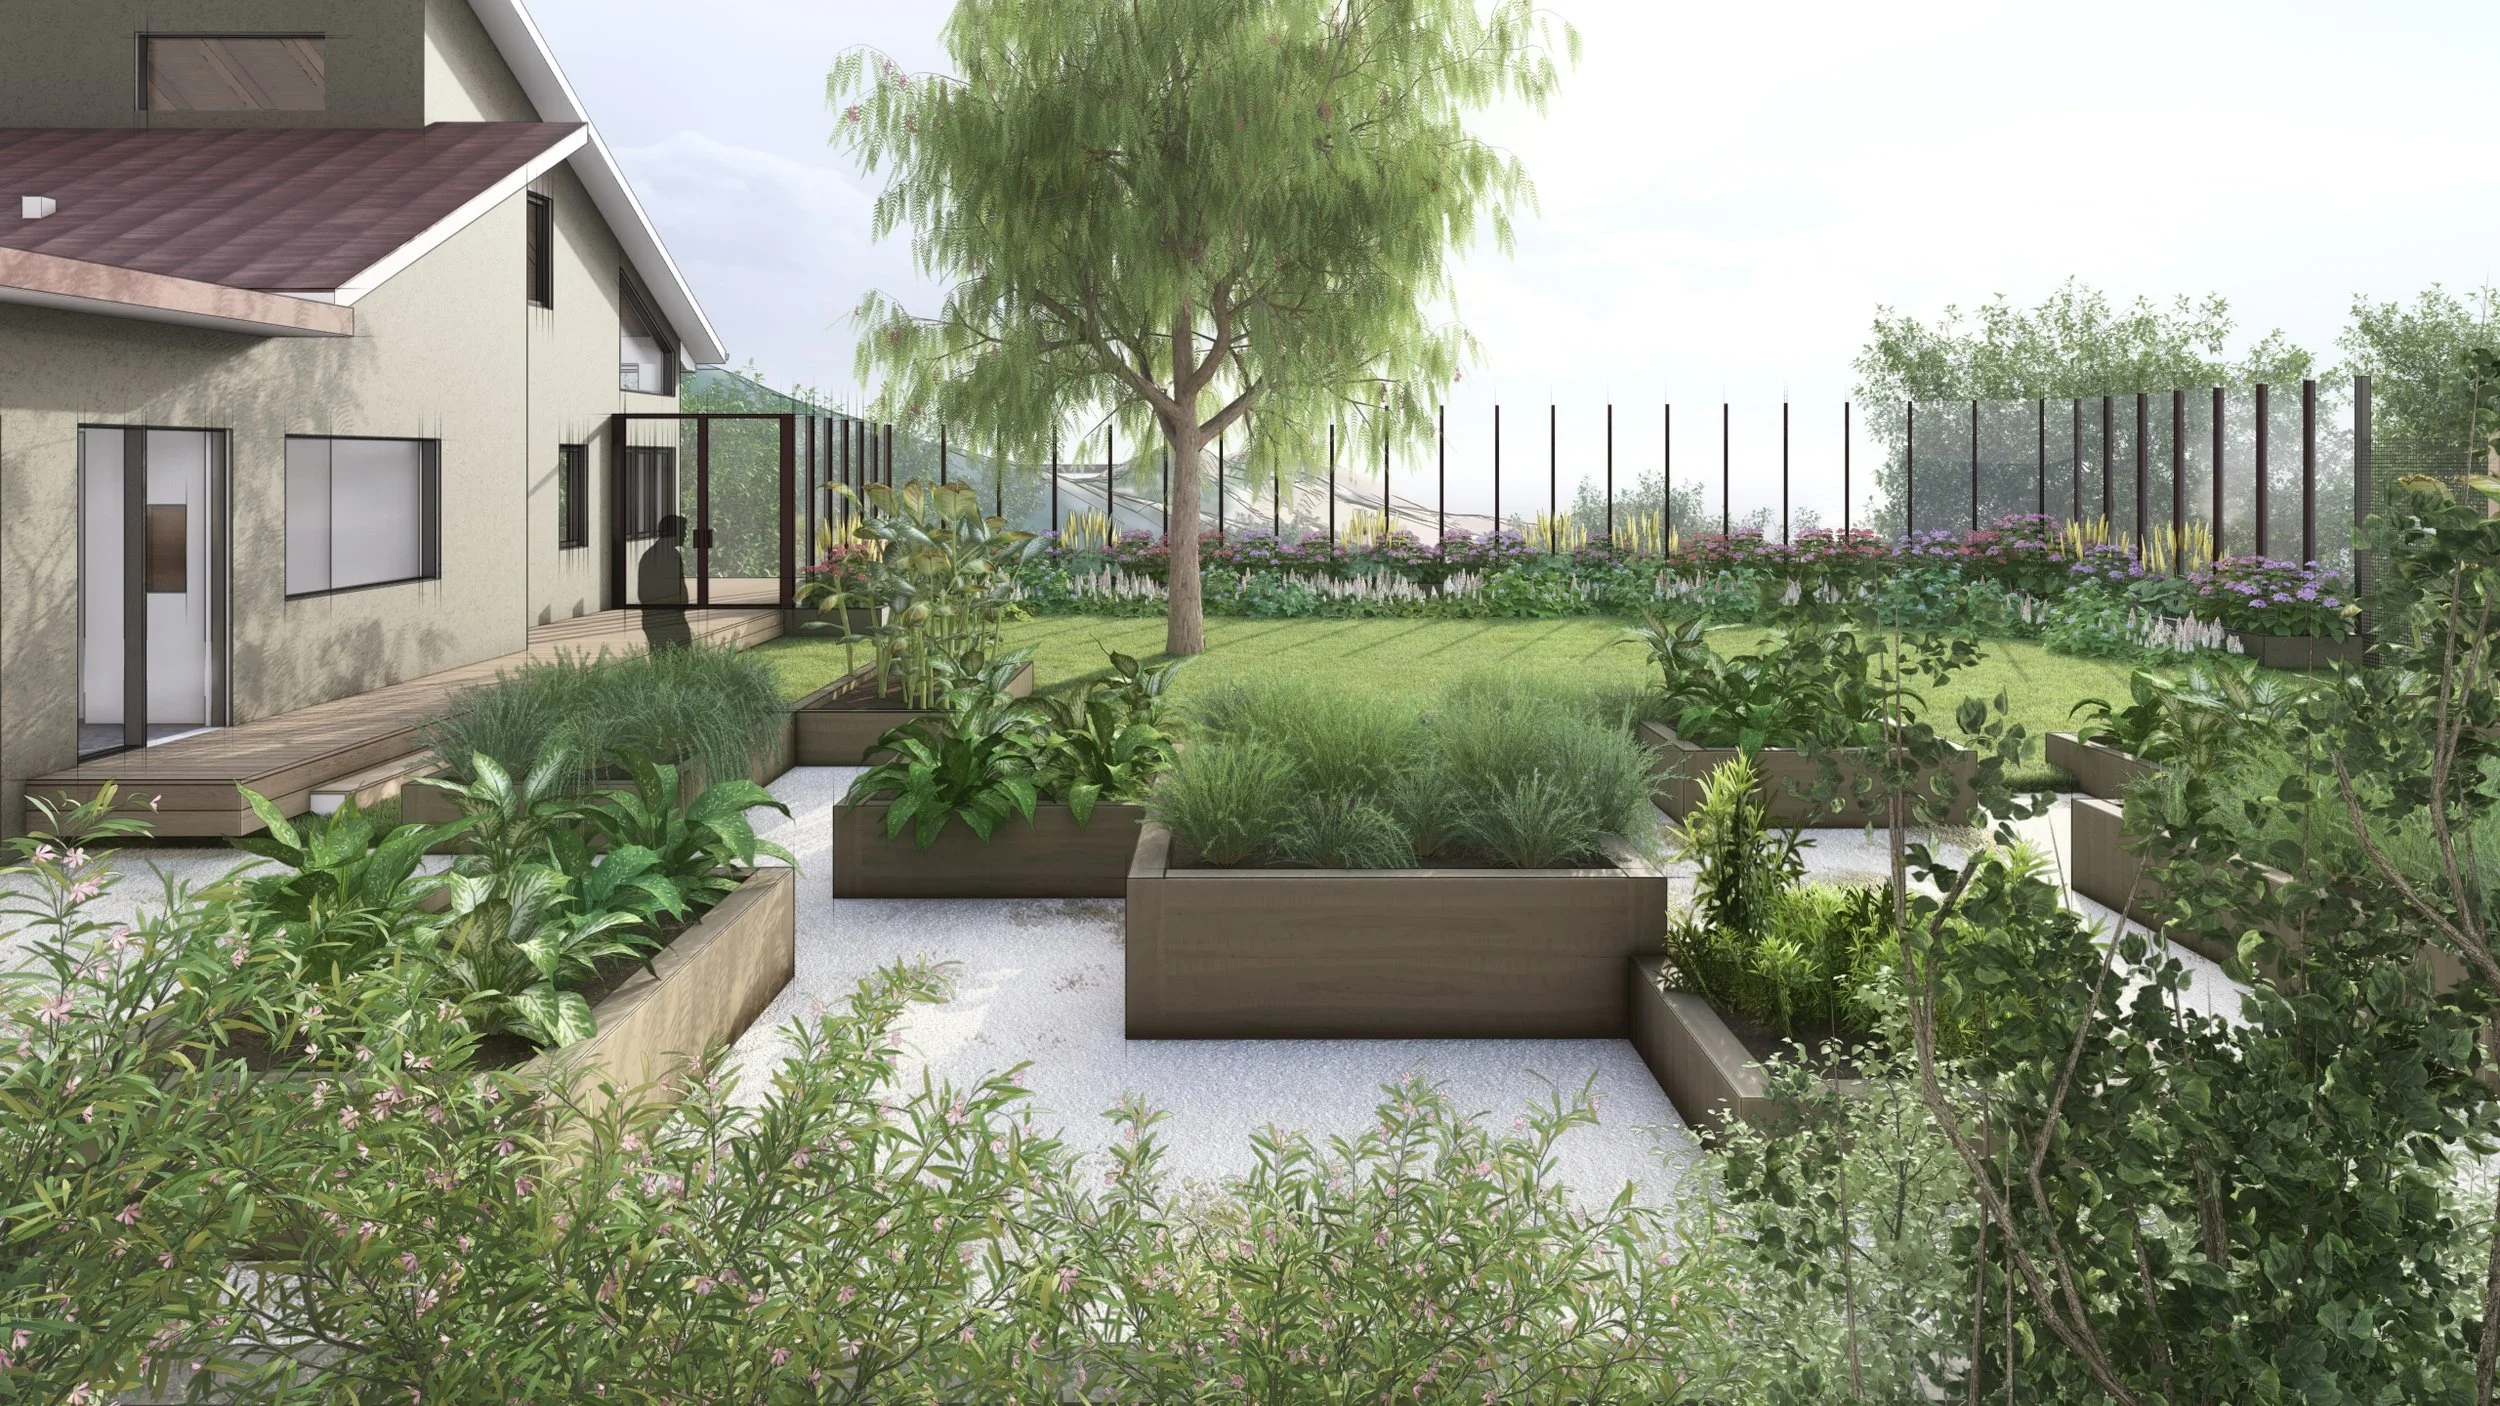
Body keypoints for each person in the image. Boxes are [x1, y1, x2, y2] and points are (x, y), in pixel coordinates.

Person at [638, 513, 693, 651]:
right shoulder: (670, 556)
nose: (686, 535)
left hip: (657, 619)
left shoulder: (650, 554)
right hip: (668, 620)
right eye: (683, 531)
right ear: (674, 532)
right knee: (679, 659)